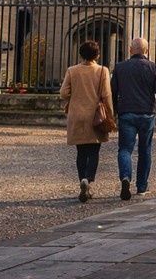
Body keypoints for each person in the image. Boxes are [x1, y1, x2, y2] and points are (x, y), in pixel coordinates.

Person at [111, 37, 156, 201]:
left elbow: (112, 92)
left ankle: (125, 177)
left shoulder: (120, 68)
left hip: (126, 112)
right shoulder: (154, 67)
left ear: (130, 50)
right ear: (147, 51)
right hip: (146, 113)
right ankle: (142, 187)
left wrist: (113, 114)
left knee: (125, 149)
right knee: (145, 151)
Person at [60, 40, 113, 202]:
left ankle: (82, 178)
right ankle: (89, 180)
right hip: (95, 116)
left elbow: (63, 93)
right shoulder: (102, 71)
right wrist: (110, 115)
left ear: (81, 55)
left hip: (76, 115)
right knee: (94, 151)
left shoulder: (72, 70)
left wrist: (75, 96)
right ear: (97, 55)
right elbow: (106, 95)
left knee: (81, 151)